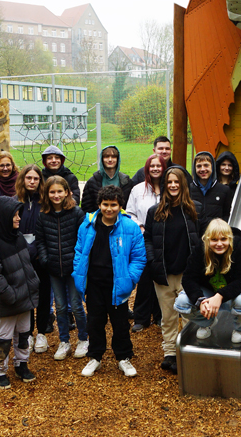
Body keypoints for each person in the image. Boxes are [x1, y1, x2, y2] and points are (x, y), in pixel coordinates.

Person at [73, 186, 146, 378]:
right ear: (99, 205)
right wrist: (77, 272)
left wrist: (130, 280)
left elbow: (138, 258)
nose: (109, 209)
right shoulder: (88, 225)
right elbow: (79, 251)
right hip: (94, 283)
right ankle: (95, 356)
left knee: (120, 323)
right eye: (105, 204)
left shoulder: (130, 227)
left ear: (120, 206)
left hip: (117, 285)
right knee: (95, 322)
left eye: (114, 205)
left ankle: (123, 357)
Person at [145, 166, 202, 373]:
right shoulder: (155, 212)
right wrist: (153, 261)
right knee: (168, 316)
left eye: (176, 181)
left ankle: (186, 350)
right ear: (165, 185)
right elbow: (148, 239)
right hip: (164, 273)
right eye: (169, 182)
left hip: (187, 275)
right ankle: (169, 352)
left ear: (183, 184)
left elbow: (203, 239)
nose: (173, 185)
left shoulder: (194, 209)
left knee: (188, 314)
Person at [0, 197, 40, 389]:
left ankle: (21, 364)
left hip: (25, 299)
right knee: (3, 338)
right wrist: (10, 295)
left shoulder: (18, 237)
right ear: (3, 217)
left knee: (24, 334)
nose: (18, 218)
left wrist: (32, 285)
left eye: (18, 214)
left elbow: (26, 266)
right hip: (8, 302)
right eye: (14, 215)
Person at [174, 219, 241, 344]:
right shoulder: (200, 249)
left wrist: (220, 296)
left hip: (233, 295)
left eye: (223, 239)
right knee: (181, 303)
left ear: (229, 239)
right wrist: (199, 300)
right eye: (214, 240)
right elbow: (188, 277)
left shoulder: (239, 248)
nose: (219, 244)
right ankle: (207, 322)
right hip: (208, 293)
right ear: (208, 240)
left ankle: (240, 328)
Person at [35, 176, 88, 361]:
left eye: (59, 191)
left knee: (76, 304)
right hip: (54, 268)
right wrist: (45, 259)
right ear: (47, 194)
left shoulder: (76, 213)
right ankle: (64, 341)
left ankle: (83, 338)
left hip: (72, 268)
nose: (56, 195)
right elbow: (40, 240)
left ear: (67, 192)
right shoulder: (43, 215)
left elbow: (83, 240)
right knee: (60, 306)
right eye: (52, 192)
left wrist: (76, 261)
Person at [14, 164, 52, 354]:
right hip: (22, 253)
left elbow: (47, 228)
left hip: (41, 252)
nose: (32, 181)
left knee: (44, 293)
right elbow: (12, 228)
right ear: (23, 179)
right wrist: (24, 248)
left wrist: (36, 248)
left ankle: (42, 333)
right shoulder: (15, 201)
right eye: (29, 178)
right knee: (26, 294)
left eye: (36, 178)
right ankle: (27, 333)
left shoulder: (45, 203)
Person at [126, 154, 164, 332]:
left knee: (162, 278)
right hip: (143, 239)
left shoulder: (169, 188)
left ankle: (159, 315)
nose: (155, 169)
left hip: (164, 240)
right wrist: (139, 226)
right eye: (152, 166)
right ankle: (141, 318)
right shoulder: (138, 189)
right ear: (147, 168)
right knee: (145, 277)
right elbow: (129, 213)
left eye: (159, 165)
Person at [81, 145, 133, 213]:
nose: (110, 160)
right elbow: (86, 208)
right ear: (102, 159)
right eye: (106, 156)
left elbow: (131, 206)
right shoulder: (92, 182)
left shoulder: (126, 182)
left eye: (113, 157)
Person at [190, 151, 232, 226]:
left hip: (215, 234)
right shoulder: (188, 189)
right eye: (199, 166)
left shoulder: (224, 190)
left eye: (206, 165)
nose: (202, 169)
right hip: (195, 234)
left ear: (212, 167)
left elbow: (226, 215)